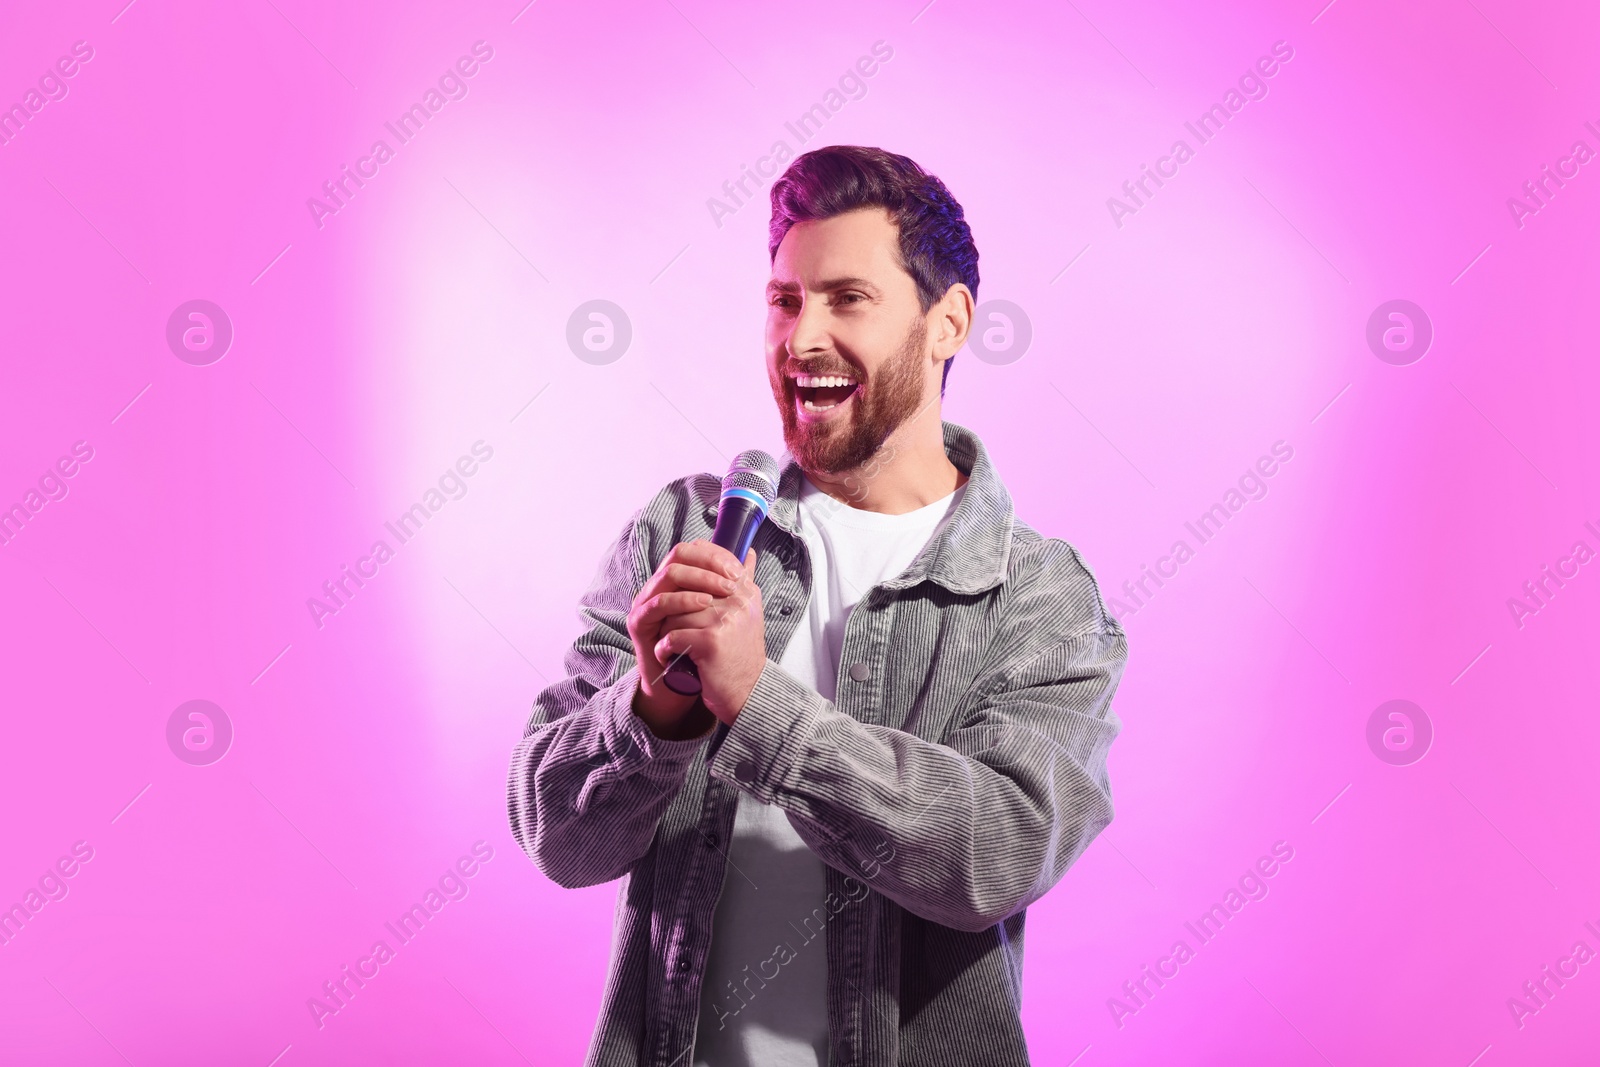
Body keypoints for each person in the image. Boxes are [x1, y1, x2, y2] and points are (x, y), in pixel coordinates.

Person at [507, 144, 1127, 1067]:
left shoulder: (1037, 594)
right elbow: (560, 837)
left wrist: (760, 705)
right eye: (785, 300)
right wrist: (655, 711)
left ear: (948, 322)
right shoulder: (685, 528)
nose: (801, 339)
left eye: (848, 299)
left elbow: (996, 854)